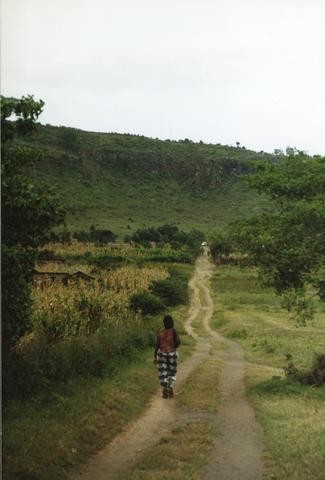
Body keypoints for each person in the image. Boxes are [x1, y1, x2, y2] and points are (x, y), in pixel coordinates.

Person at [154, 314, 181, 399]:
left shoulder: (161, 332)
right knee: (171, 372)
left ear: (164, 323)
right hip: (172, 355)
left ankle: (165, 390)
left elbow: (157, 345)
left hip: (161, 355)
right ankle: (170, 388)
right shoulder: (173, 331)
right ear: (172, 323)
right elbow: (178, 343)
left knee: (163, 373)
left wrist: (155, 356)